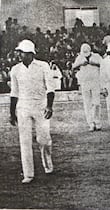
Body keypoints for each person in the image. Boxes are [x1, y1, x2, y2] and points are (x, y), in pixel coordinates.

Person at [9, 40, 57, 184]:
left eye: (21, 53)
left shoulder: (43, 66)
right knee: (24, 141)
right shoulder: (15, 69)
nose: (19, 55)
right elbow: (14, 93)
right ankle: (28, 174)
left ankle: (48, 165)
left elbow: (50, 88)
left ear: (30, 54)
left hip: (40, 106)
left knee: (44, 139)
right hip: (23, 107)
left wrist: (49, 106)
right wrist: (12, 113)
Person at [72, 43, 103, 131]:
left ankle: (97, 122)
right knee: (87, 103)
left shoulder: (96, 56)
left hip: (95, 82)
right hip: (85, 82)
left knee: (96, 103)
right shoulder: (80, 57)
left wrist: (95, 63)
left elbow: (104, 65)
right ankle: (91, 123)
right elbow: (73, 67)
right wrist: (80, 64)